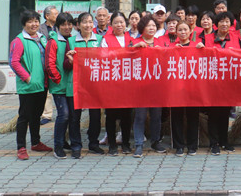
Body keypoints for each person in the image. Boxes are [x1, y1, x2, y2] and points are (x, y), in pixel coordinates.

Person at [10, 9, 52, 160]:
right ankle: (21, 147)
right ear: (24, 24)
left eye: (36, 21)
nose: (34, 24)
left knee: (36, 115)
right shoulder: (19, 40)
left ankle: (36, 142)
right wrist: (27, 78)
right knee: (24, 116)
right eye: (30, 21)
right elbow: (14, 62)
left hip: (42, 84)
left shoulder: (42, 38)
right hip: (28, 86)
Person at [200, 11, 240, 155]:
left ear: (231, 24)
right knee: (214, 114)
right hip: (212, 83)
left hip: (229, 83)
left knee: (225, 113)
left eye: (227, 21)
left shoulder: (236, 38)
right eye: (222, 21)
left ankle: (224, 141)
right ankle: (214, 143)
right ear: (216, 24)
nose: (224, 24)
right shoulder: (207, 38)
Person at [65, 12, 103, 158]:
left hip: (94, 84)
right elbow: (65, 64)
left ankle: (93, 143)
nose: (88, 25)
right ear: (78, 25)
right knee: (75, 117)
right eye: (84, 22)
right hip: (76, 84)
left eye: (90, 22)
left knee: (95, 116)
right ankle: (76, 145)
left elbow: (106, 60)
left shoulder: (99, 40)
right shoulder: (71, 41)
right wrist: (70, 60)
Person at [132, 15, 166, 157]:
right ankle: (139, 144)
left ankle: (155, 141)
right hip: (140, 86)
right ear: (142, 28)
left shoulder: (161, 42)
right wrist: (134, 48)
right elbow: (125, 56)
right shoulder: (135, 41)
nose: (152, 28)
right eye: (148, 25)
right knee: (140, 115)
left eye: (153, 25)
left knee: (156, 115)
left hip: (157, 85)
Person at [101, 12, 134, 156]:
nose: (119, 25)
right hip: (112, 83)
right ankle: (112, 145)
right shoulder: (106, 39)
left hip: (128, 83)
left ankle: (126, 143)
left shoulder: (131, 39)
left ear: (125, 23)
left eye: (121, 22)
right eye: (116, 22)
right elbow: (103, 57)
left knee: (127, 115)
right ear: (111, 25)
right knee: (111, 115)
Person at [45, 12, 75, 159]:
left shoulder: (72, 40)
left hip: (71, 86)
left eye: (69, 24)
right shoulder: (54, 41)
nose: (67, 27)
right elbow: (49, 63)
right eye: (63, 24)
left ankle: (63, 141)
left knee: (69, 116)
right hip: (59, 86)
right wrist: (57, 79)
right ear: (58, 26)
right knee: (63, 115)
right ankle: (57, 146)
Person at [170, 20, 200, 156]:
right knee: (176, 117)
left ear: (190, 31)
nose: (183, 32)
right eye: (180, 30)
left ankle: (192, 146)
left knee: (193, 116)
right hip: (176, 88)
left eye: (185, 30)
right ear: (176, 32)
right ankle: (179, 146)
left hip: (192, 88)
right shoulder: (171, 47)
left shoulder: (197, 46)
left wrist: (202, 49)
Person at [38, 5, 59, 125]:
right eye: (55, 14)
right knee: (46, 91)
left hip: (58, 62)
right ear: (47, 16)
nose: (57, 16)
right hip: (44, 62)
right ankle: (47, 114)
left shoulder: (60, 27)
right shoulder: (40, 29)